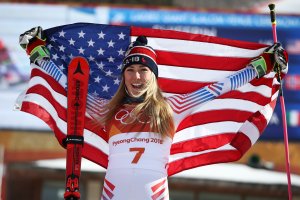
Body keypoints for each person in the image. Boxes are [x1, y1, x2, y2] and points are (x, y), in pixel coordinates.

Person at [19, 27, 288, 200]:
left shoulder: (172, 107)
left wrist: (262, 65)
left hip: (154, 194)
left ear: (153, 76)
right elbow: (69, 86)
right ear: (123, 76)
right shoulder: (105, 108)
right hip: (114, 193)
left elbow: (220, 88)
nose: (136, 77)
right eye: (130, 71)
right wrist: (38, 52)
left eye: (143, 71)